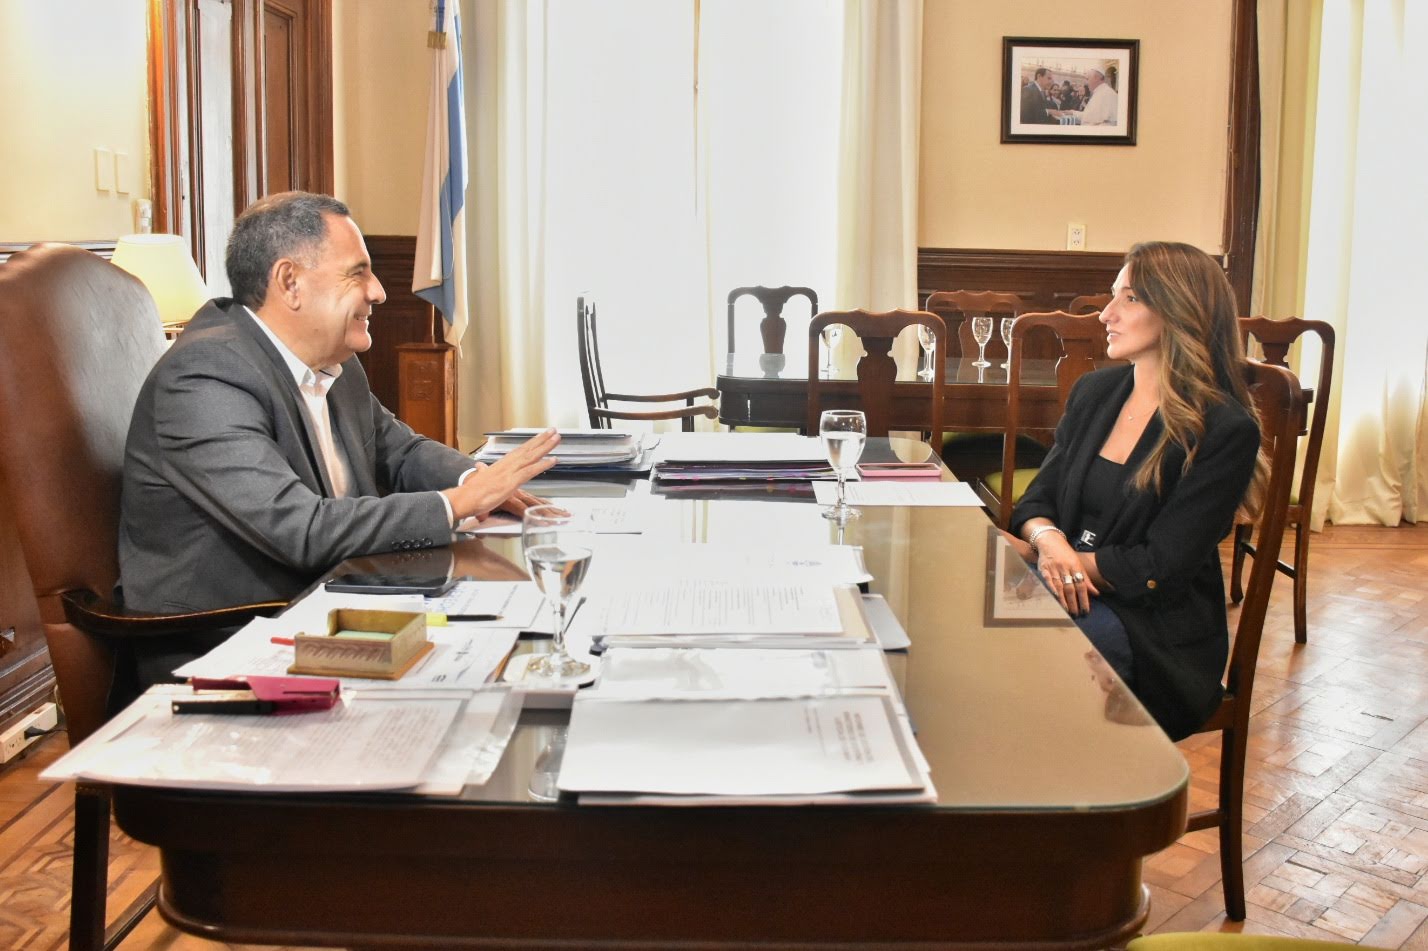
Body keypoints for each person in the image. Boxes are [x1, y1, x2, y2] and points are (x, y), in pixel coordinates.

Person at [119, 191, 559, 628]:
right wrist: (457, 503)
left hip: (341, 594)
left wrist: (475, 480)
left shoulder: (335, 361)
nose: (379, 292)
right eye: (357, 273)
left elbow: (400, 451)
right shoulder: (204, 376)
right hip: (232, 631)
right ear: (290, 282)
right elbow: (299, 528)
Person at [1002, 241, 1265, 740]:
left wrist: (1044, 558)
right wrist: (1049, 542)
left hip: (1153, 631)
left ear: (1179, 312)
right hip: (1063, 583)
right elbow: (1037, 501)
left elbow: (1159, 568)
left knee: (1010, 650)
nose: (1107, 314)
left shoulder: (1223, 429)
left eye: (1130, 298)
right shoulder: (1095, 392)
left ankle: (1060, 784)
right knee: (964, 618)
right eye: (1112, 296)